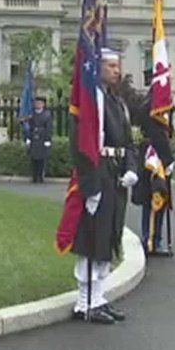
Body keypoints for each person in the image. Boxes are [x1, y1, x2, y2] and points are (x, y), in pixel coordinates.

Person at [70, 49, 137, 325]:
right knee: (91, 240)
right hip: (99, 175)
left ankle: (98, 298)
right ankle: (83, 303)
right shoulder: (91, 103)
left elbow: (129, 142)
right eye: (110, 66)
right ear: (96, 69)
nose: (116, 71)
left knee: (108, 238)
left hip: (116, 176)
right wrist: (90, 185)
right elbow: (81, 145)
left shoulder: (117, 103)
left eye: (117, 66)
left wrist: (132, 168)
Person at [125, 77, 175, 258]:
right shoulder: (152, 109)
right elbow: (158, 137)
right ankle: (152, 240)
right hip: (154, 160)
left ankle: (153, 238)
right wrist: (169, 159)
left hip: (157, 159)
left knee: (156, 202)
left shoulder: (159, 110)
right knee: (155, 199)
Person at [25, 95, 53, 184]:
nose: (38, 105)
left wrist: (47, 140)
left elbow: (49, 128)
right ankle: (34, 176)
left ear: (43, 104)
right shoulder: (31, 114)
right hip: (33, 138)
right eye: (37, 103)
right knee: (33, 158)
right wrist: (28, 138)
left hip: (42, 138)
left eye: (40, 103)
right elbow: (29, 127)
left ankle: (40, 176)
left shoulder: (47, 115)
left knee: (41, 159)